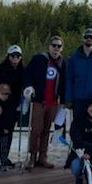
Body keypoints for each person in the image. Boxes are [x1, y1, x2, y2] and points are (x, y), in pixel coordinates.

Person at [23, 34, 67, 170]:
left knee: (47, 130)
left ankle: (43, 157)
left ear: (62, 48)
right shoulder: (39, 59)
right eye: (54, 45)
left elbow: (65, 83)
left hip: (53, 102)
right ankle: (32, 158)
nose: (56, 48)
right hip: (39, 101)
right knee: (36, 130)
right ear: (49, 46)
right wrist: (29, 87)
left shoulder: (63, 62)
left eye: (59, 46)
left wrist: (64, 102)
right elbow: (27, 74)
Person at [0, 44, 24, 166]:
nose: (15, 58)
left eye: (18, 56)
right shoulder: (2, 68)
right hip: (0, 106)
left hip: (12, 108)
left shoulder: (22, 70)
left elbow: (24, 86)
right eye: (13, 56)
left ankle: (4, 158)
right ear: (8, 56)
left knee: (8, 134)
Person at [65, 28, 92, 120]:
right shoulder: (74, 57)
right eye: (86, 36)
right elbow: (69, 78)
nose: (89, 39)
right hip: (77, 98)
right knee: (78, 126)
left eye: (91, 37)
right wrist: (68, 98)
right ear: (82, 38)